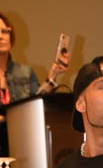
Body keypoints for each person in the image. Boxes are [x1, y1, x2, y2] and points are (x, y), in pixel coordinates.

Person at [0, 12, 70, 151]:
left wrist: (53, 76)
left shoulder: (25, 72)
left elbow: (35, 105)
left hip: (20, 141)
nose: (1, 36)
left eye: (4, 31)